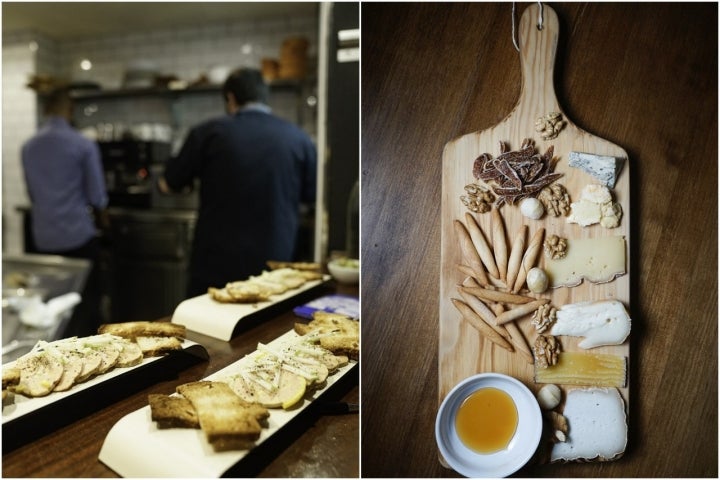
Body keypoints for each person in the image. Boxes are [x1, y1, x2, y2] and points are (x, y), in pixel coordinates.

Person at [160, 68, 317, 297]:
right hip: (275, 264)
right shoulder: (299, 139)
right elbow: (311, 197)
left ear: (231, 98)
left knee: (205, 327)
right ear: (265, 97)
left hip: (216, 265)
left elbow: (167, 184)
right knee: (267, 328)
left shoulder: (207, 133)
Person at [22, 87, 109, 336]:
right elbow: (97, 197)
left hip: (44, 238)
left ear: (45, 110)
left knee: (51, 307)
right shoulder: (82, 144)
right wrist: (105, 222)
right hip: (77, 237)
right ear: (69, 110)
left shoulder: (29, 147)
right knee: (86, 306)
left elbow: (32, 193)